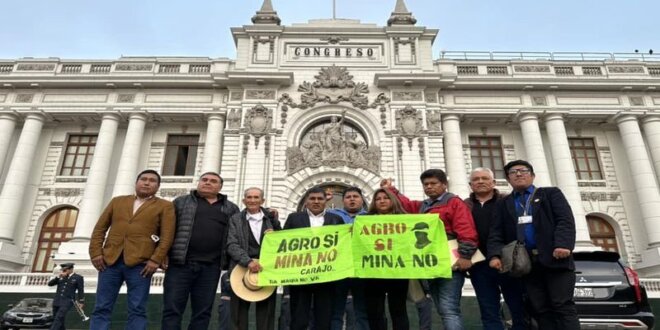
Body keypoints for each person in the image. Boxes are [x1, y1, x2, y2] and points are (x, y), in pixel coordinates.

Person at [381, 169, 478, 330]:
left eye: (434, 183)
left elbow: (466, 229)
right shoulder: (424, 205)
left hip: (451, 263)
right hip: (430, 264)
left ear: (444, 185)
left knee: (449, 309)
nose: (429, 187)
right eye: (426, 184)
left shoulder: (454, 202)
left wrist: (466, 256)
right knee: (442, 308)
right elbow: (407, 205)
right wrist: (391, 190)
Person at [488, 160, 579, 330]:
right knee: (540, 308)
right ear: (508, 179)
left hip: (555, 259)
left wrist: (563, 245)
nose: (519, 174)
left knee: (562, 305)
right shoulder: (504, 203)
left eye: (523, 170)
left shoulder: (550, 194)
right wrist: (494, 255)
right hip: (526, 264)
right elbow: (496, 232)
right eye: (513, 172)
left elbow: (565, 220)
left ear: (533, 175)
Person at [89, 169, 175, 330]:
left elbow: (167, 236)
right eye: (143, 179)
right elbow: (99, 229)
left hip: (141, 265)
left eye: (152, 180)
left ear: (158, 186)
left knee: (137, 309)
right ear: (136, 183)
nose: (147, 182)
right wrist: (96, 253)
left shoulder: (165, 206)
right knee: (101, 307)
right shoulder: (117, 201)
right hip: (109, 262)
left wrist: (155, 260)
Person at [161, 172, 239, 330]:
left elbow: (239, 232)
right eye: (204, 180)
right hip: (180, 265)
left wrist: (269, 215)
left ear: (220, 187)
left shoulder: (231, 208)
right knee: (172, 310)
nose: (208, 183)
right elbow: (165, 229)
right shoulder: (181, 202)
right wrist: (162, 254)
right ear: (198, 183)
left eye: (213, 181)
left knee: (203, 313)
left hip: (211, 268)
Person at [464, 168, 525, 330]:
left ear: (494, 183)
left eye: (485, 178)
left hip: (508, 262)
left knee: (518, 306)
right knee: (488, 309)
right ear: (470, 185)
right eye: (476, 179)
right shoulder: (464, 205)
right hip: (479, 265)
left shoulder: (507, 201)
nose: (480, 181)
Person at [283, 187, 344, 330]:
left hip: (326, 276)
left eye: (320, 199)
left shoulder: (336, 219)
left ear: (326, 201)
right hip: (300, 276)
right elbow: (283, 243)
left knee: (324, 318)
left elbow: (343, 245)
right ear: (306, 201)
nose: (316, 202)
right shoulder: (294, 218)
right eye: (312, 199)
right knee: (299, 317)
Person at [226, 187, 281, 330]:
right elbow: (231, 244)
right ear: (244, 200)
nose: (252, 200)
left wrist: (274, 235)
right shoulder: (235, 219)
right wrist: (248, 261)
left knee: (266, 314)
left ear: (262, 200)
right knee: (238, 315)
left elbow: (282, 243)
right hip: (240, 270)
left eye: (256, 197)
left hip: (267, 271)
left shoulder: (272, 218)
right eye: (249, 197)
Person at [363, 188, 410, 330]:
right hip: (373, 272)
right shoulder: (365, 221)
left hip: (398, 271)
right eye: (378, 199)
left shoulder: (406, 220)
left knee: (398, 310)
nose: (382, 201)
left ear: (392, 200)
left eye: (385, 198)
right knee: (375, 312)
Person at [326, 187, 369, 330]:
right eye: (348, 196)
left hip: (362, 269)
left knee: (362, 311)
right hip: (339, 269)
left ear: (362, 199)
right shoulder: (331, 215)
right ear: (343, 200)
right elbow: (313, 219)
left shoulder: (371, 217)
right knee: (335, 310)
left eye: (355, 196)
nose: (352, 199)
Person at [48, 263, 84, 330]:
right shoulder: (61, 277)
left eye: (65, 270)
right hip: (57, 301)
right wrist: (58, 277)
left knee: (59, 317)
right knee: (57, 319)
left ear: (71, 269)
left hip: (67, 301)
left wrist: (81, 301)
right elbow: (50, 284)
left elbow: (80, 290)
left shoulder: (78, 278)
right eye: (63, 270)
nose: (64, 271)